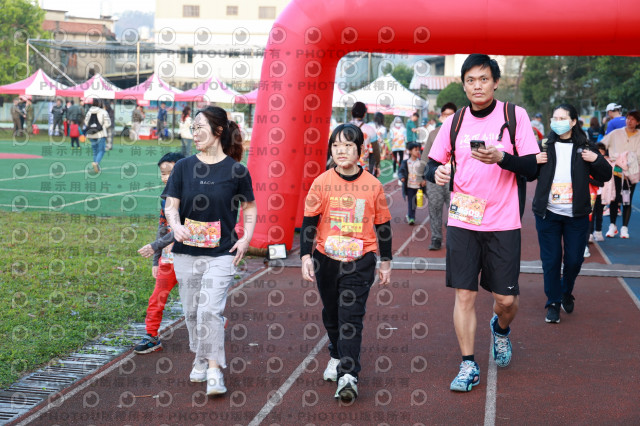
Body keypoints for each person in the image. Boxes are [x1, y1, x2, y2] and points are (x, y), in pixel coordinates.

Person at [424, 54, 539, 392]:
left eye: (484, 79)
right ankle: (468, 365)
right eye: (471, 80)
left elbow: (532, 168)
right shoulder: (454, 122)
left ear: (495, 82)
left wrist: (502, 157)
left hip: (503, 221)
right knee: (464, 295)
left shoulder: (514, 116)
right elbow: (432, 165)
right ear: (463, 85)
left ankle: (500, 330)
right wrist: (438, 172)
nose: (477, 86)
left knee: (506, 301)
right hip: (463, 218)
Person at [163, 106, 256, 396]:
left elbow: (249, 208)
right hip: (185, 253)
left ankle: (214, 371)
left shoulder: (236, 171)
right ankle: (200, 358)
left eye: (200, 127)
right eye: (193, 128)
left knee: (209, 311)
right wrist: (175, 226)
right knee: (192, 313)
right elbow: (171, 206)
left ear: (218, 131)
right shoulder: (183, 167)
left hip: (222, 253)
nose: (194, 133)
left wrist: (246, 238)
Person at [301, 123, 392, 402]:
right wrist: (305, 256)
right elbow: (309, 221)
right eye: (336, 145)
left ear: (360, 150)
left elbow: (383, 225)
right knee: (331, 313)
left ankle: (349, 375)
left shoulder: (373, 185)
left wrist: (386, 260)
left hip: (360, 259)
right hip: (326, 258)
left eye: (348, 145)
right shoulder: (322, 182)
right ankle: (336, 354)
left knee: (350, 315)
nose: (341, 151)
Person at [531, 104, 612, 323]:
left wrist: (595, 159)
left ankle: (566, 291)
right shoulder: (544, 146)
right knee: (551, 260)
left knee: (575, 260)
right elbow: (529, 174)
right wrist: (533, 161)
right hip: (548, 214)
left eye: (562, 118)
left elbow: (605, 175)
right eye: (554, 118)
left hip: (576, 215)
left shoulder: (585, 147)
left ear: (573, 122)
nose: (557, 122)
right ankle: (553, 303)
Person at [134, 152, 185, 354]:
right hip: (169, 259)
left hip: (192, 257)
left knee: (199, 300)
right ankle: (151, 336)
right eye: (163, 173)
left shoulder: (192, 196)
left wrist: (155, 246)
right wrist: (156, 259)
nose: (165, 177)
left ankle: (213, 322)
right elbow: (163, 227)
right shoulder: (165, 198)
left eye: (170, 173)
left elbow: (185, 229)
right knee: (157, 298)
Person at [421, 103, 457, 250]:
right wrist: (420, 177)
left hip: (454, 179)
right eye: (445, 115)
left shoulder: (461, 133)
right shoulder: (433, 134)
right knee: (434, 208)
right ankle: (436, 238)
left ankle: (454, 238)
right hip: (435, 178)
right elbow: (425, 157)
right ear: (441, 117)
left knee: (455, 210)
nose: (448, 118)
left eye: (451, 115)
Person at [601, 110, 640, 238]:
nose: (629, 121)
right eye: (628, 118)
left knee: (626, 200)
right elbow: (602, 144)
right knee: (614, 198)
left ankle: (624, 228)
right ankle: (612, 226)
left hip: (631, 174)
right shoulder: (616, 133)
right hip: (616, 172)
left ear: (638, 122)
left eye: (633, 119)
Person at [349, 101, 380, 176]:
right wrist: (377, 165)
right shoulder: (370, 129)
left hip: (346, 166)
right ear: (364, 114)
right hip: (362, 168)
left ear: (351, 112)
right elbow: (376, 149)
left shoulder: (342, 128)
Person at [398, 142, 425, 225]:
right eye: (415, 150)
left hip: (418, 186)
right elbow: (401, 171)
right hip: (409, 186)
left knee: (416, 202)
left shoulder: (421, 162)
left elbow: (425, 172)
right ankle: (411, 217)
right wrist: (402, 177)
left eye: (418, 150)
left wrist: (424, 180)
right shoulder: (405, 162)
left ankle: (410, 215)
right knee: (411, 202)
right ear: (410, 151)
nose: (417, 152)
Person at [84, 98, 111, 173]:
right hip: (100, 133)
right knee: (101, 150)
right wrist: (103, 127)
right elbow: (108, 123)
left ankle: (96, 167)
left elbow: (86, 122)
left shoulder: (89, 111)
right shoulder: (103, 112)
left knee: (95, 151)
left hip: (91, 133)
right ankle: (96, 163)